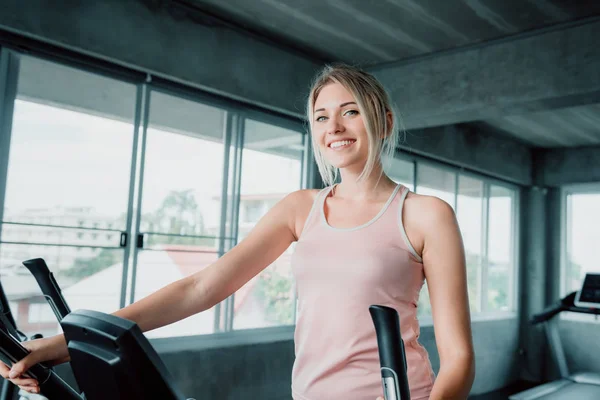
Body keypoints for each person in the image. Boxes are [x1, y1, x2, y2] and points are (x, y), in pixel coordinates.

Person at [1, 64, 475, 399]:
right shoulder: (299, 208)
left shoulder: (425, 214)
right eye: (321, 116)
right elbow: (201, 288)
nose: (334, 127)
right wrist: (64, 345)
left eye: (350, 111)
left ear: (383, 121)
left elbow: (458, 358)